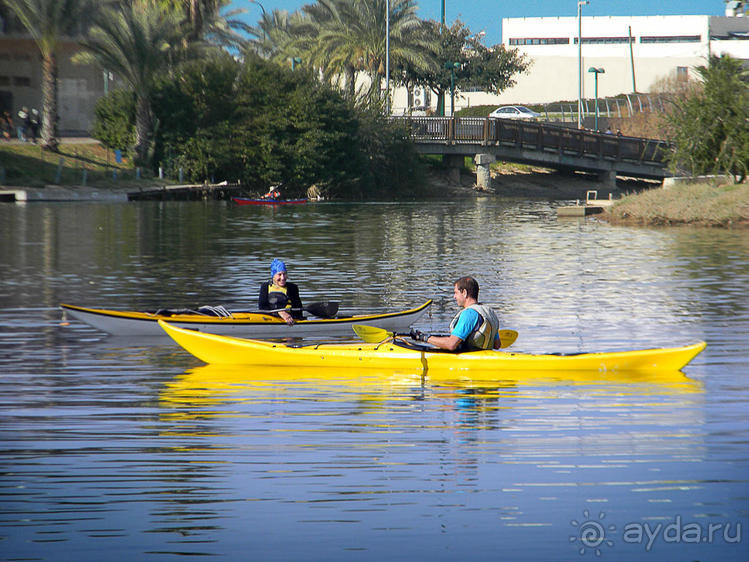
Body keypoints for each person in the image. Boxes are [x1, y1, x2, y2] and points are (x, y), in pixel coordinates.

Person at [411, 276, 501, 351]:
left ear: (464, 293)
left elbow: (451, 345)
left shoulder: (469, 314)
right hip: (486, 357)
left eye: (456, 293)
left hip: (470, 362)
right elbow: (497, 345)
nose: (454, 297)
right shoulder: (489, 312)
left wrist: (424, 338)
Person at [258, 259, 303, 325]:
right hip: (269, 319)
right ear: (273, 275)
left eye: (284, 274)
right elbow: (262, 308)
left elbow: (298, 311)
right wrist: (280, 312)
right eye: (279, 274)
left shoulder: (292, 288)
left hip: (290, 320)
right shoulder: (265, 287)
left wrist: (289, 315)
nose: (282, 278)